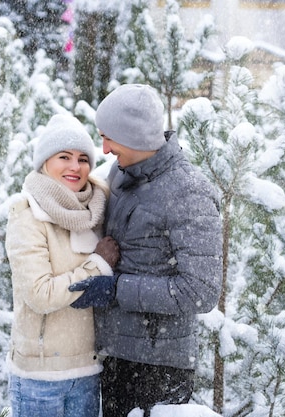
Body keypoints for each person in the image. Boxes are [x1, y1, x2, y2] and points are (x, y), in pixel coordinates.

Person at [69, 84, 223, 417]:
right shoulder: (121, 174)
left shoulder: (188, 193)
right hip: (114, 354)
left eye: (110, 138)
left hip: (158, 368)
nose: (105, 149)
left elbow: (202, 291)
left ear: (136, 138)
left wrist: (117, 290)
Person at [5, 113, 120, 417]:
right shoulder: (28, 215)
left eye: (84, 158)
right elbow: (39, 294)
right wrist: (96, 266)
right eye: (64, 157)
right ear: (45, 162)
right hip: (39, 378)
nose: (75, 166)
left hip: (87, 370)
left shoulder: (96, 209)